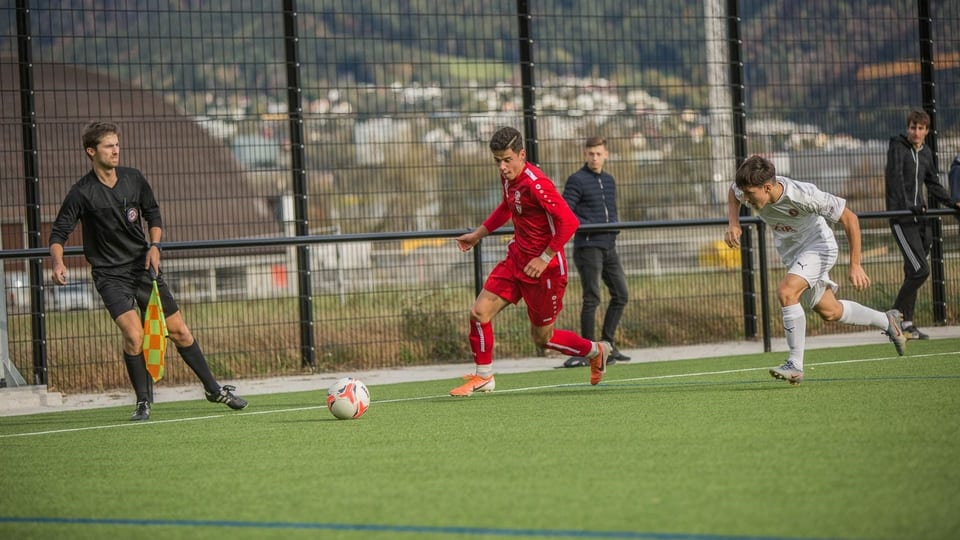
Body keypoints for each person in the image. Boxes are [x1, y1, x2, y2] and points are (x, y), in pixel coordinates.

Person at [49, 121, 248, 420]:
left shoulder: (134, 179)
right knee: (134, 336)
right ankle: (143, 402)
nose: (116, 150)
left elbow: (153, 214)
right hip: (110, 276)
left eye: (117, 144)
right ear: (91, 151)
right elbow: (58, 234)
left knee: (180, 332)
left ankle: (213, 389)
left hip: (143, 269)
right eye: (108, 145)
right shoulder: (82, 192)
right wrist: (58, 262)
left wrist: (155, 246)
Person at [450, 127, 611, 396]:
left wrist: (544, 257)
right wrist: (478, 234)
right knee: (479, 313)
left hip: (545, 271)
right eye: (497, 161)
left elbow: (570, 222)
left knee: (542, 338)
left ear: (521, 154)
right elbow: (507, 206)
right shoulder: (509, 178)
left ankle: (596, 350)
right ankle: (484, 376)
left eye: (507, 160)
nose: (502, 167)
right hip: (516, 260)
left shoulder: (537, 184)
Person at [725, 155, 906, 385]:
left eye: (750, 194)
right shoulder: (747, 189)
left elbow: (850, 219)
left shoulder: (803, 195)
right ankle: (886, 321)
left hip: (819, 247)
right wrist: (733, 222)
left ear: (767, 187)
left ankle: (795, 365)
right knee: (830, 311)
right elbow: (734, 192)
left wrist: (855, 264)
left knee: (786, 292)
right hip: (792, 254)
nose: (746, 199)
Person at [884, 110, 960, 340]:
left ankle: (907, 323)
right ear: (907, 128)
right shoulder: (898, 148)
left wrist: (953, 202)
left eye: (921, 128)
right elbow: (895, 180)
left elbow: (933, 183)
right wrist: (909, 206)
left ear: (927, 131)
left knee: (912, 270)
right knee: (921, 270)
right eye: (913, 127)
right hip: (902, 218)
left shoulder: (926, 152)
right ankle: (893, 314)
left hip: (920, 220)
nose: (916, 132)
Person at [561, 136, 630, 367]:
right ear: (585, 154)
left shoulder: (609, 180)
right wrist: (587, 225)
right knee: (592, 298)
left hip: (609, 245)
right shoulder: (576, 180)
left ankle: (607, 346)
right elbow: (566, 211)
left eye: (599, 153)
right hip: (588, 247)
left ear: (606, 154)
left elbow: (612, 210)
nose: (595, 157)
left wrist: (614, 226)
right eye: (591, 153)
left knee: (621, 294)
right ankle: (586, 351)